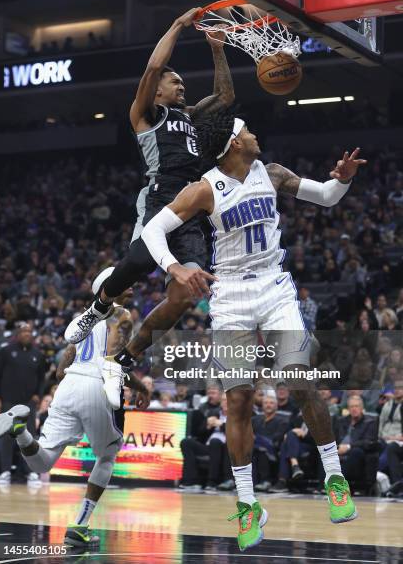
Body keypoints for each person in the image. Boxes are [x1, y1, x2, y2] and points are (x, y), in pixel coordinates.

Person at [139, 106, 366, 551]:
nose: (256, 134)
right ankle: (247, 504)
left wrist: (341, 178)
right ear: (233, 143)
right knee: (238, 399)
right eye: (249, 130)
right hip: (231, 298)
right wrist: (175, 268)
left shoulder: (273, 172)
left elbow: (325, 196)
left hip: (275, 288)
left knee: (301, 382)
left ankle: (334, 480)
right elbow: (153, 230)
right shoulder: (205, 188)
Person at [64, 6, 234, 374]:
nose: (182, 87)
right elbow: (154, 68)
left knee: (188, 293)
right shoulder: (146, 114)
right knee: (139, 261)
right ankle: (97, 308)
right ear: (157, 91)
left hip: (195, 206)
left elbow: (224, 96)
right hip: (161, 196)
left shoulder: (190, 115)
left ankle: (131, 355)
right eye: (176, 83)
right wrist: (177, 25)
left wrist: (218, 48)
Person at [0, 277, 150, 548]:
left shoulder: (85, 318)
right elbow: (113, 360)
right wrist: (141, 388)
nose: (132, 285)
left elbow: (61, 365)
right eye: (125, 281)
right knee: (108, 454)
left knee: (41, 462)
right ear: (108, 287)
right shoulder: (122, 314)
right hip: (96, 385)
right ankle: (79, 525)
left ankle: (20, 431)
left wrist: (69, 383)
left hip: (68, 384)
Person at [0, 323, 45, 487]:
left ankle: (31, 473)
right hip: (8, 401)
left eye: (29, 331)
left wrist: (38, 393)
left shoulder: (38, 354)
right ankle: (5, 472)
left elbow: (42, 378)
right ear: (18, 334)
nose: (27, 334)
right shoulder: (6, 351)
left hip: (28, 403)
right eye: (24, 331)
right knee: (7, 438)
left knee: (29, 437)